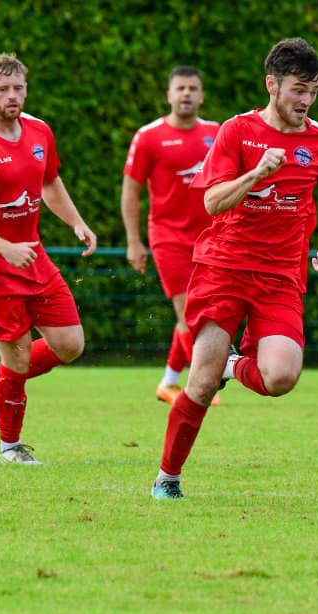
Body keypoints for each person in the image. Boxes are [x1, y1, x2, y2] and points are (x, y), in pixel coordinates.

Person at [150, 37, 318, 499]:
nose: (306, 100)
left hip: (280, 276)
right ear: (272, 85)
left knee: (281, 378)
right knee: (201, 381)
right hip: (223, 268)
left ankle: (233, 364)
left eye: (314, 91)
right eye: (298, 89)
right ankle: (167, 478)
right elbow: (211, 201)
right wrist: (257, 173)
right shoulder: (236, 131)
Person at [0, 53, 97, 465]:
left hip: (32, 258)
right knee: (19, 358)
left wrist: (76, 222)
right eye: (3, 89)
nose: (12, 96)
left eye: (18, 88)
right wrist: (4, 247)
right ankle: (9, 447)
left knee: (70, 344)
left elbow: (50, 182)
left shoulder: (39, 130)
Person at [121, 66, 221, 405]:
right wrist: (133, 241)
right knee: (188, 312)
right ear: (169, 95)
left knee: (204, 313)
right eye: (180, 88)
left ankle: (169, 382)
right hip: (169, 239)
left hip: (211, 240)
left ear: (202, 95)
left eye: (193, 88)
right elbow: (131, 190)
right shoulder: (148, 136)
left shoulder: (216, 132)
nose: (186, 93)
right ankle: (199, 386)